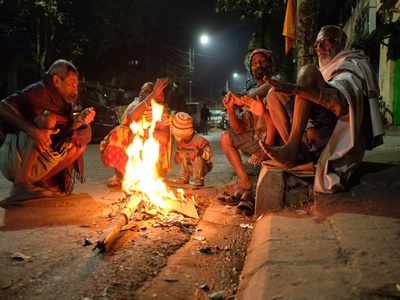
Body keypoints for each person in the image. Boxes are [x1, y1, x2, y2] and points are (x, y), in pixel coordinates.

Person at [263, 25, 383, 193]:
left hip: (333, 134)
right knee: (273, 94)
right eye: (317, 44)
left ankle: (292, 146)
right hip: (310, 137)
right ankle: (294, 152)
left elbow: (339, 105)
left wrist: (296, 89)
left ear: (341, 43)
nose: (319, 48)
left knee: (307, 71)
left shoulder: (352, 63)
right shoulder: (325, 70)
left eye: (326, 42)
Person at [0, 59, 96, 200]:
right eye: (70, 84)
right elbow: (3, 106)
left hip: (39, 161)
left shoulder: (64, 104)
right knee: (48, 118)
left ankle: (40, 182)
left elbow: (63, 134)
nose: (75, 90)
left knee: (81, 137)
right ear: (56, 81)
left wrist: (78, 121)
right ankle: (20, 185)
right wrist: (33, 131)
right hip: (14, 158)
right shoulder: (39, 91)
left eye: (76, 85)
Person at [220, 48, 281, 193]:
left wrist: (242, 100)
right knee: (226, 138)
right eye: (254, 63)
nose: (258, 65)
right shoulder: (250, 93)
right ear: (250, 69)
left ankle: (267, 153)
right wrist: (230, 109)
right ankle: (245, 181)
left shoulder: (277, 82)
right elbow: (239, 129)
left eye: (262, 61)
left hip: (278, 141)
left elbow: (269, 88)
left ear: (270, 64)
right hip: (257, 139)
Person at [100, 79, 171, 188]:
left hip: (154, 164)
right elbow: (131, 117)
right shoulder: (136, 106)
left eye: (160, 94)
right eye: (142, 92)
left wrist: (149, 132)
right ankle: (121, 176)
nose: (142, 94)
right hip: (133, 155)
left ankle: (149, 178)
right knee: (120, 132)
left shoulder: (162, 111)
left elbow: (165, 138)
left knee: (155, 141)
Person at [171, 112, 212, 186]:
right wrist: (178, 156)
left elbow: (208, 156)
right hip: (188, 167)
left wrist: (200, 152)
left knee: (197, 158)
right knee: (183, 154)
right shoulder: (181, 142)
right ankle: (184, 177)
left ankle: (198, 179)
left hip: (201, 167)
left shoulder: (199, 141)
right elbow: (177, 158)